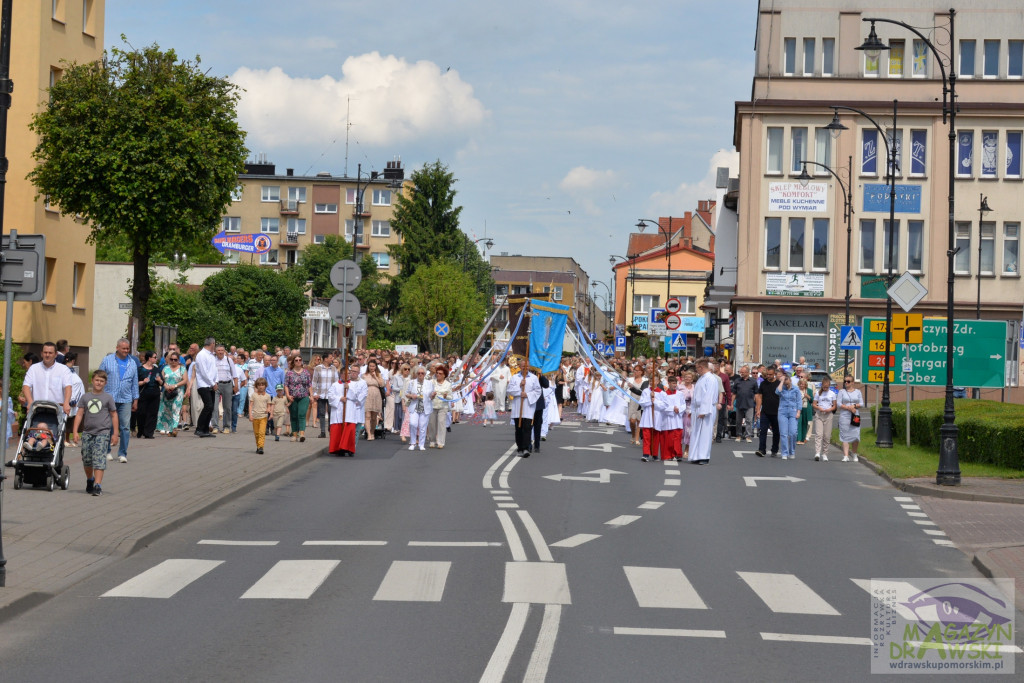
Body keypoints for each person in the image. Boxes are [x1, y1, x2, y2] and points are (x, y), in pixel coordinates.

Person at [72, 370, 118, 496]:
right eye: (97, 380)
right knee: (87, 459)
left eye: (102, 381)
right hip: (87, 433)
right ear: (92, 380)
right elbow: (79, 414)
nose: (99, 383)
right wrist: (75, 431)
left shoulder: (108, 398)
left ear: (105, 383)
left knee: (99, 459)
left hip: (102, 433)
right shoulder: (85, 397)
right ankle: (90, 479)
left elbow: (114, 415)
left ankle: (98, 485)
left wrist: (115, 434)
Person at [97, 338, 140, 461]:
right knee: (108, 425)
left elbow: (134, 383)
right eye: (124, 348)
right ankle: (107, 451)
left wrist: (135, 399)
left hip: (126, 398)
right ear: (117, 348)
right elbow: (99, 377)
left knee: (125, 427)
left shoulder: (132, 363)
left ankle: (122, 453)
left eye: (127, 348)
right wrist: (98, 393)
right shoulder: (107, 360)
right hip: (109, 397)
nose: (126, 351)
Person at [328, 365, 368, 456]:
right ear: (341, 375)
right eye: (346, 374)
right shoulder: (335, 385)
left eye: (349, 373)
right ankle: (338, 449)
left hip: (349, 411)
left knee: (349, 431)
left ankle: (348, 448)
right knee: (338, 430)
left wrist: (348, 389)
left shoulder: (353, 385)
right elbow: (330, 396)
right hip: (338, 411)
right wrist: (339, 398)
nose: (348, 375)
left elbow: (356, 397)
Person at [687, 359, 718, 465]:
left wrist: (704, 410)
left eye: (697, 368)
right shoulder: (701, 378)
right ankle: (695, 455)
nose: (696, 371)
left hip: (707, 409)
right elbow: (696, 395)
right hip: (698, 408)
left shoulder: (711, 379)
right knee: (696, 433)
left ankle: (704, 456)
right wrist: (692, 409)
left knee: (705, 433)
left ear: (701, 367)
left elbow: (708, 395)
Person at [508, 364, 541, 457]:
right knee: (518, 428)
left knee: (527, 427)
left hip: (528, 407)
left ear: (529, 367)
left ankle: (526, 448)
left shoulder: (534, 378)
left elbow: (538, 391)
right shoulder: (514, 378)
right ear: (520, 367)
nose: (525, 368)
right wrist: (519, 387)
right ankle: (520, 448)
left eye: (527, 366)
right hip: (518, 406)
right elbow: (509, 390)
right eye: (523, 366)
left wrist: (527, 395)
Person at [653, 375, 685, 461]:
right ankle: (667, 455)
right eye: (673, 383)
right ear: (669, 383)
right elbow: (662, 406)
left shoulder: (680, 394)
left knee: (677, 437)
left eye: (676, 383)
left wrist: (679, 409)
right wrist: (672, 409)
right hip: (667, 419)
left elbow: (683, 404)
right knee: (667, 438)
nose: (675, 385)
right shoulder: (664, 394)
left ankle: (677, 454)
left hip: (677, 418)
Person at [192, 337, 218, 438]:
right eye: (214, 344)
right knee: (208, 406)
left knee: (211, 407)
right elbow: (203, 372)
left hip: (211, 384)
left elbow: (214, 369)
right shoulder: (202, 355)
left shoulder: (211, 355)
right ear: (212, 343)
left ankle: (205, 429)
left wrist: (216, 381)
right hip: (204, 384)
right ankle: (199, 428)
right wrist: (212, 383)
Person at [210, 345, 239, 434]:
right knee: (214, 407)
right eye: (218, 350)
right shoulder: (212, 360)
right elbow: (210, 373)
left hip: (227, 384)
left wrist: (236, 386)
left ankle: (226, 426)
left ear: (224, 351)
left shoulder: (228, 360)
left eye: (222, 350)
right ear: (215, 351)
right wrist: (212, 383)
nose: (220, 352)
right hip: (216, 385)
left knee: (227, 407)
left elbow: (234, 374)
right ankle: (215, 426)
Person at [157, 351, 188, 436]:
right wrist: (165, 385)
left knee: (175, 408)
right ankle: (167, 428)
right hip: (167, 391)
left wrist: (175, 385)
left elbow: (185, 380)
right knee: (167, 409)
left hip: (178, 391)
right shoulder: (165, 368)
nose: (173, 361)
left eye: (175, 359)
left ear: (178, 360)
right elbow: (161, 379)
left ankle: (174, 427)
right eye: (172, 359)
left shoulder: (182, 369)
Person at [135, 350, 164, 439]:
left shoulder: (156, 369)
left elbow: (162, 382)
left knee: (152, 413)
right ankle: (141, 430)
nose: (156, 359)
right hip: (143, 394)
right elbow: (134, 383)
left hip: (154, 394)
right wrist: (143, 382)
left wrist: (159, 380)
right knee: (142, 413)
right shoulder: (140, 369)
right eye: (154, 357)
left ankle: (149, 433)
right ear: (149, 358)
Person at [754, 364, 780, 458]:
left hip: (776, 412)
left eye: (770, 374)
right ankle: (762, 449)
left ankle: (774, 449)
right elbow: (760, 397)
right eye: (767, 374)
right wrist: (758, 409)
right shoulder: (763, 384)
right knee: (763, 430)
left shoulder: (778, 384)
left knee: (776, 432)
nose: (768, 376)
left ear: (774, 374)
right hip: (765, 411)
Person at [404, 366, 433, 451]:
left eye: (422, 373)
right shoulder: (412, 382)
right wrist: (412, 396)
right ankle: (413, 442)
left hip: (425, 407)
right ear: (416, 374)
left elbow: (431, 395)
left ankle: (421, 444)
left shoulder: (429, 383)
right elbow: (406, 393)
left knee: (422, 427)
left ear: (424, 374)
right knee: (413, 424)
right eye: (419, 373)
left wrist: (433, 395)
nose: (420, 375)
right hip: (414, 406)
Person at [775, 371, 802, 460]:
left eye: (786, 379)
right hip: (782, 411)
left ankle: (792, 451)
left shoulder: (796, 389)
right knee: (783, 433)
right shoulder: (781, 388)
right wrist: (781, 381)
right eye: (784, 379)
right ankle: (784, 452)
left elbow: (799, 401)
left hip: (793, 411)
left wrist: (798, 412)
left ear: (790, 379)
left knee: (793, 432)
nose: (785, 381)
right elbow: (777, 392)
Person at [284, 355, 312, 442]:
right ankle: (294, 434)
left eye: (300, 360)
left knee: (302, 415)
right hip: (292, 397)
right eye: (296, 360)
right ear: (293, 362)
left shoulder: (306, 373)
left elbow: (309, 385)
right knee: (294, 416)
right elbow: (286, 385)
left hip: (304, 396)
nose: (298, 361)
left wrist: (311, 395)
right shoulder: (289, 373)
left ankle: (302, 434)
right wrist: (288, 395)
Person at [837, 375, 864, 462]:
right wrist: (848, 408)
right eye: (845, 381)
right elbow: (838, 403)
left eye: (848, 381)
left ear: (852, 382)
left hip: (855, 415)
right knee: (844, 434)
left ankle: (854, 453)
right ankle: (846, 455)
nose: (846, 383)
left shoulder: (858, 392)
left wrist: (854, 406)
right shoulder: (842, 391)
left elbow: (862, 403)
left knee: (855, 434)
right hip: (845, 415)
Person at [312, 355, 338, 439]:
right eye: (330, 358)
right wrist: (314, 393)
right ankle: (322, 431)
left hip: (331, 395)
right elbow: (314, 381)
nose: (332, 359)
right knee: (322, 413)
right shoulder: (318, 368)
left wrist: (336, 394)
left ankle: (331, 430)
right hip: (321, 394)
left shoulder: (333, 368)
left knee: (331, 412)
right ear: (326, 359)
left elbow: (336, 382)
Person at [62, 352, 86, 447]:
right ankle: (64, 439)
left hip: (75, 399)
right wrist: (71, 400)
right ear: (73, 361)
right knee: (66, 420)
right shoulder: (65, 372)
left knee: (70, 420)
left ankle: (67, 438)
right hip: (71, 399)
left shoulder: (71, 371)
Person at [812, 376, 836, 461]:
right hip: (819, 414)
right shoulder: (818, 393)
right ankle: (817, 453)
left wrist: (830, 409)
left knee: (827, 435)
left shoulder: (832, 394)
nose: (825, 388)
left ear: (829, 386)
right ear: (822, 385)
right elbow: (814, 404)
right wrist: (819, 408)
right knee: (819, 434)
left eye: (827, 387)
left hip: (828, 415)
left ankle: (825, 453)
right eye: (824, 387)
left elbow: (834, 406)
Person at [428, 365, 452, 448]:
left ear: (444, 375)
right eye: (437, 373)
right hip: (432, 405)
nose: (438, 375)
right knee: (431, 424)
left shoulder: (448, 384)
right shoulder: (432, 382)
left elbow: (450, 397)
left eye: (440, 373)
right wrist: (431, 394)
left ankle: (441, 442)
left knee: (441, 423)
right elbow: (427, 393)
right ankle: (432, 440)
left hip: (442, 406)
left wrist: (446, 396)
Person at [362, 359, 385, 440]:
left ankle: (372, 432)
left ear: (376, 367)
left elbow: (382, 384)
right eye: (370, 366)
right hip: (367, 395)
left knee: (374, 417)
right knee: (367, 416)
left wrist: (375, 376)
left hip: (376, 395)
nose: (372, 368)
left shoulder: (378, 375)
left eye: (373, 366)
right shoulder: (364, 375)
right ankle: (368, 433)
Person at [247, 377, 272, 454]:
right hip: (255, 417)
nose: (261, 386)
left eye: (263, 385)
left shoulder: (267, 396)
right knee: (257, 433)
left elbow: (269, 405)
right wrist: (250, 415)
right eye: (259, 385)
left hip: (263, 417)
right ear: (256, 386)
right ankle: (258, 446)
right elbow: (250, 405)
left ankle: (261, 447)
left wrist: (269, 410)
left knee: (261, 432)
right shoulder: (254, 395)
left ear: (265, 386)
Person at [531, 373, 549, 452]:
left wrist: (541, 376)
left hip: (538, 404)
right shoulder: (526, 375)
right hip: (528, 404)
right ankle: (528, 444)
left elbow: (546, 385)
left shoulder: (539, 376)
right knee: (527, 425)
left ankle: (537, 445)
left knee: (537, 425)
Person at [796, 377, 814, 445]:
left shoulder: (809, 390)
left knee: (805, 424)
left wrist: (808, 396)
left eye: (803, 384)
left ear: (805, 385)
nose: (801, 385)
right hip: (799, 409)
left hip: (807, 409)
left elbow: (812, 400)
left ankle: (803, 439)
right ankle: (799, 439)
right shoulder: (797, 390)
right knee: (799, 423)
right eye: (800, 384)